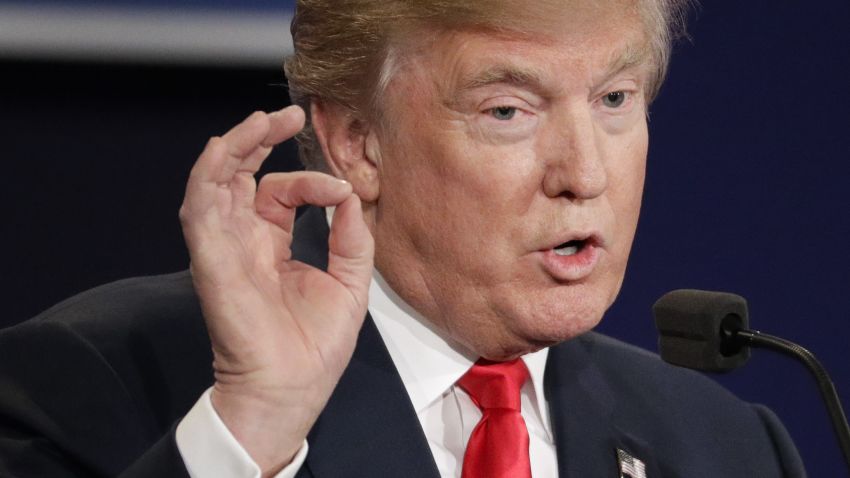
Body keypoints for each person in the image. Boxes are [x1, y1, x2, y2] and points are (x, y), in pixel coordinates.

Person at [0, 0, 807, 477]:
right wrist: (252, 429)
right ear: (358, 142)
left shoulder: (727, 448)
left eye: (615, 99)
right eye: (507, 111)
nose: (584, 174)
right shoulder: (106, 382)